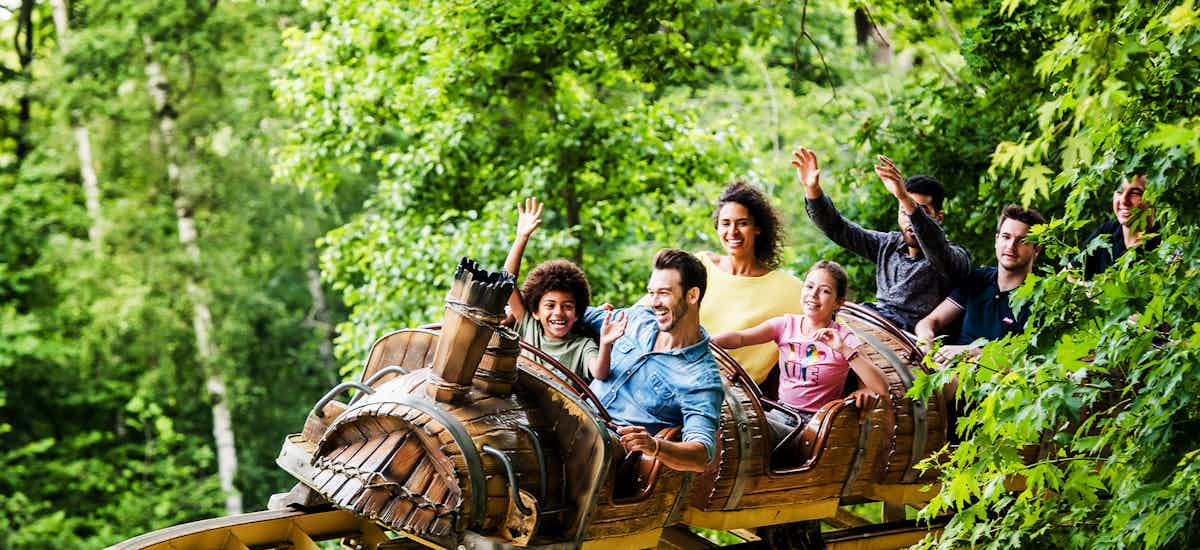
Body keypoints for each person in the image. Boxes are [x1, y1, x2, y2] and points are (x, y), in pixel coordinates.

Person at [793, 147, 972, 332]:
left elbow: (936, 246)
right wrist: (812, 190)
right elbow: (838, 228)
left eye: (920, 211)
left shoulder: (955, 258)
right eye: (904, 211)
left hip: (911, 347)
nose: (910, 219)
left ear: (939, 218)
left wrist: (904, 197)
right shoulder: (887, 245)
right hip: (869, 328)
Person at [580, 249, 724, 473]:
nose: (654, 302)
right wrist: (523, 310)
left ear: (692, 295)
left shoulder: (701, 378)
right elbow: (578, 313)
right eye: (651, 293)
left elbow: (701, 455)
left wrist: (654, 446)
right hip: (570, 416)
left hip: (601, 459)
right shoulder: (636, 320)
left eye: (664, 293)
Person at [712, 261, 878, 425]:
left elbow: (878, 386)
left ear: (838, 302)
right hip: (781, 412)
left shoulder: (843, 338)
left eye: (825, 291)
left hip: (815, 424)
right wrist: (708, 342)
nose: (813, 295)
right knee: (730, 417)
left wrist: (862, 385)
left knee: (746, 425)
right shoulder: (785, 325)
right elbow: (741, 338)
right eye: (809, 286)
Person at [698, 182, 805, 384]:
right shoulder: (700, 266)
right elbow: (652, 306)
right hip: (678, 373)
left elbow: (839, 333)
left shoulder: (787, 288)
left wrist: (862, 387)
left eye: (742, 223)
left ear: (757, 229)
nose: (733, 231)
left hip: (734, 395)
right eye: (725, 223)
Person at [915, 205, 1045, 360]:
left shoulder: (1041, 297)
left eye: (1022, 240)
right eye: (1006, 237)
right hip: (946, 370)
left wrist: (976, 353)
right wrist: (926, 340)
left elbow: (1035, 364)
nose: (1011, 246)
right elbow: (930, 321)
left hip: (994, 380)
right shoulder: (978, 279)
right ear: (996, 240)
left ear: (1037, 249)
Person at [504, 197, 603, 381]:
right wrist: (521, 237)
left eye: (567, 306)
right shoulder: (529, 326)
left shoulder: (582, 346)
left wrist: (606, 341)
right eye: (550, 305)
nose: (558, 313)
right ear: (535, 311)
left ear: (577, 313)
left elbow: (599, 371)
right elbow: (507, 282)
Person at [1079, 175, 1159, 279]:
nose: (1124, 200)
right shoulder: (1106, 232)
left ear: (1154, 198)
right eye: (1120, 191)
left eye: (1135, 193)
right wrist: (1092, 290)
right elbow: (1068, 275)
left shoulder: (1165, 244)